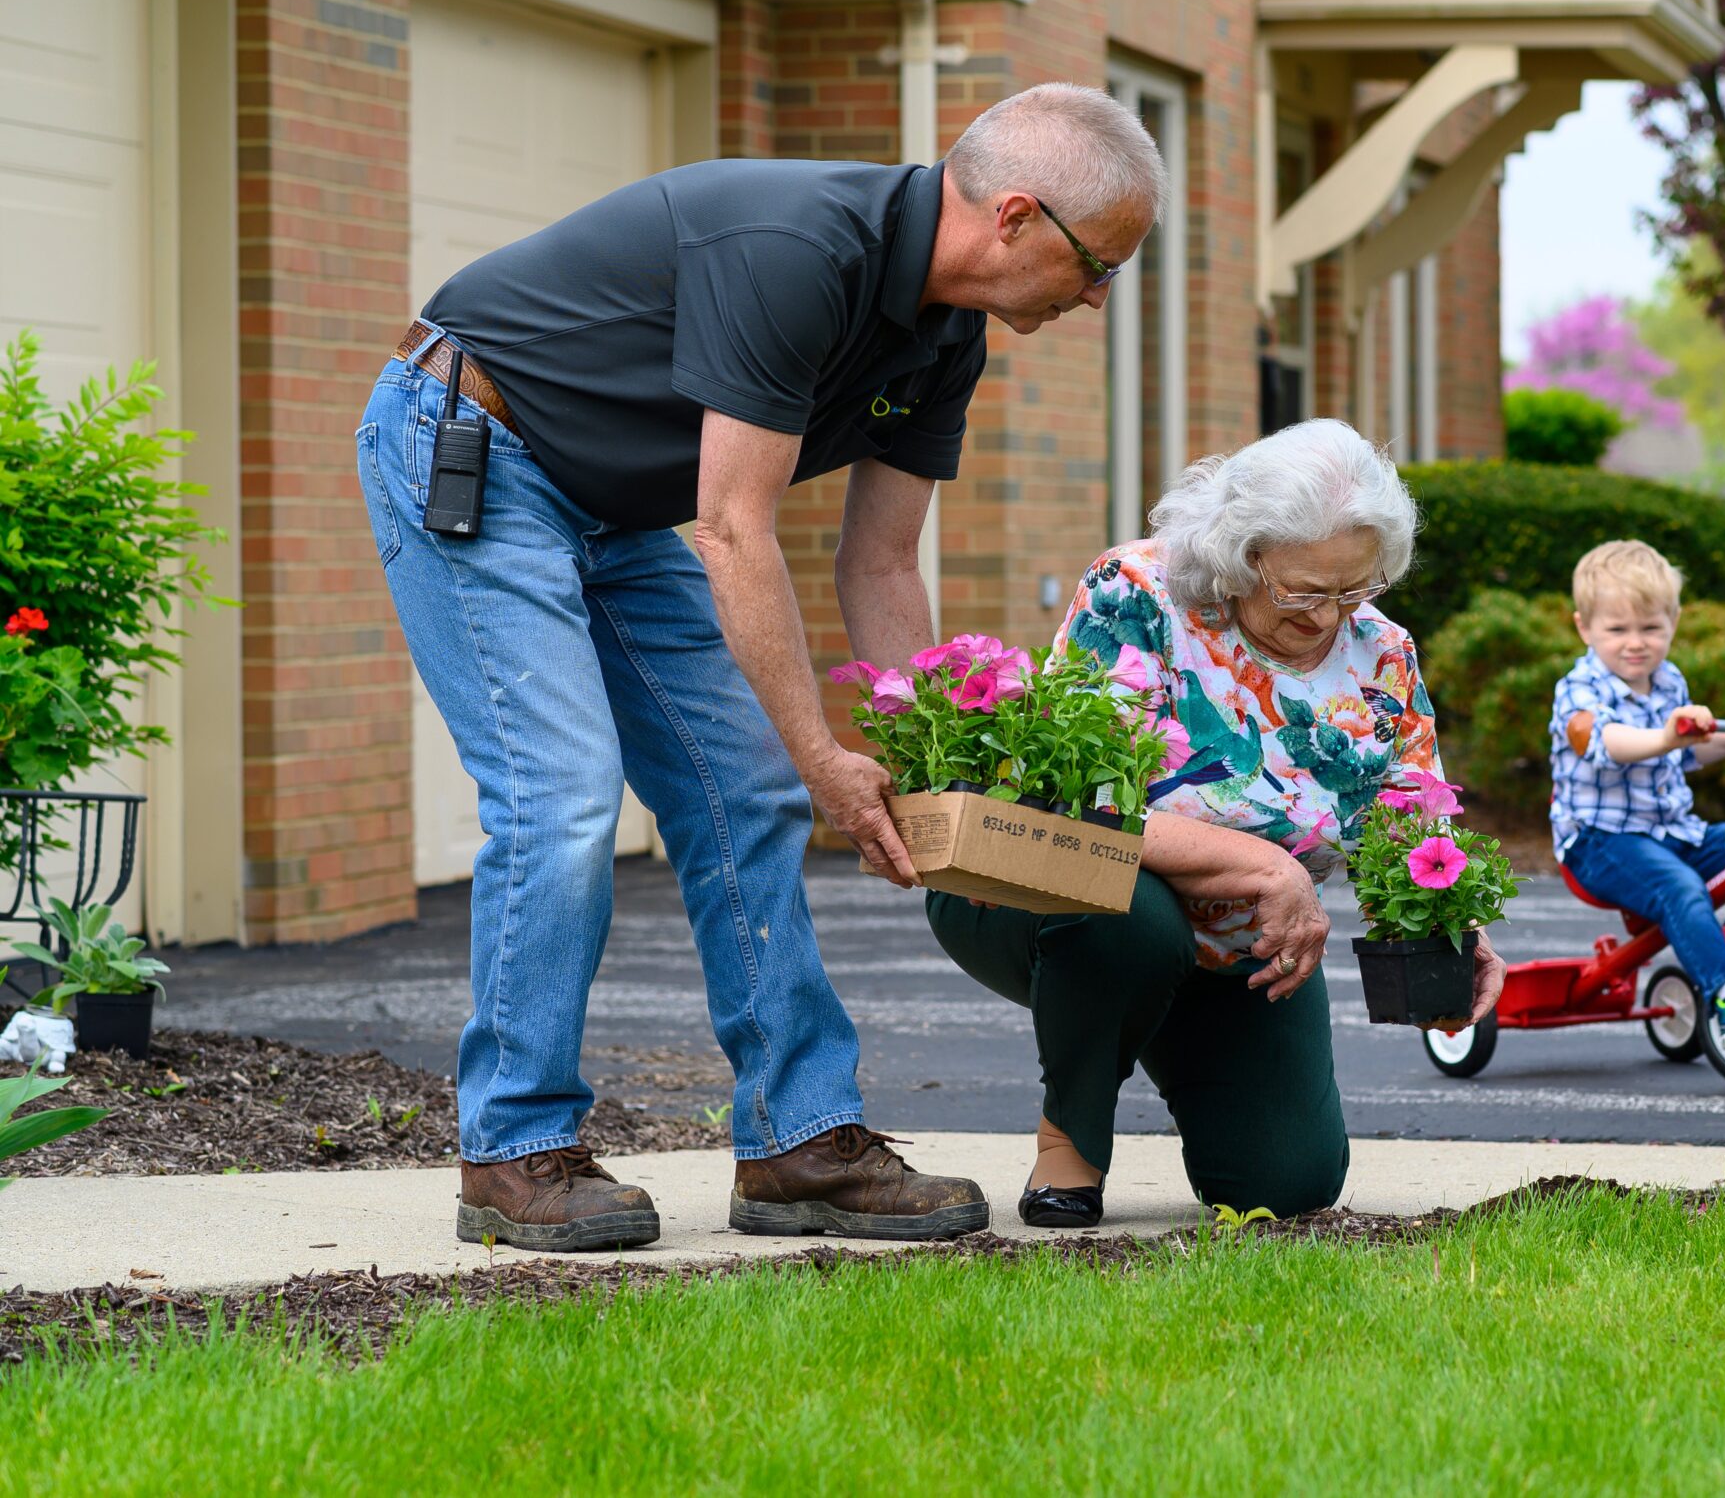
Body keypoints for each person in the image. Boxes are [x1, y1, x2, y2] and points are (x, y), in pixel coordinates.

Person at [357, 84, 1165, 1252]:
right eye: (1098, 266)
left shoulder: (945, 340)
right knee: (564, 797)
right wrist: (827, 754)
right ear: (1018, 219)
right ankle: (512, 1149)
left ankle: (799, 1142)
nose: (1095, 297)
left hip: (617, 505)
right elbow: (733, 529)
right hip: (473, 442)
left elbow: (881, 563)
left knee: (747, 790)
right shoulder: (796, 252)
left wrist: (943, 772)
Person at [924, 421, 1505, 1228]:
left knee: (1288, 1181)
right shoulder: (1136, 593)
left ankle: (1167, 1035)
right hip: (1049, 897)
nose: (1327, 615)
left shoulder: (1384, 655)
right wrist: (1271, 870)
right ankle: (1072, 1139)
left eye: (1353, 589)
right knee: (1129, 919)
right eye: (1303, 590)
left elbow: (1412, 826)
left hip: (1238, 952)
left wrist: (1453, 934)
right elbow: (1080, 806)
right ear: (1243, 554)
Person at [1549, 540, 1725, 1050]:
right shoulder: (1580, 689)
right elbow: (1606, 742)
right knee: (1679, 887)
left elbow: (1690, 751)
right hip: (1600, 844)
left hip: (1675, 833)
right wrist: (1668, 737)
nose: (1636, 643)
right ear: (1584, 628)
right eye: (1617, 630)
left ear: (1673, 622)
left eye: (1651, 628)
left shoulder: (1669, 681)